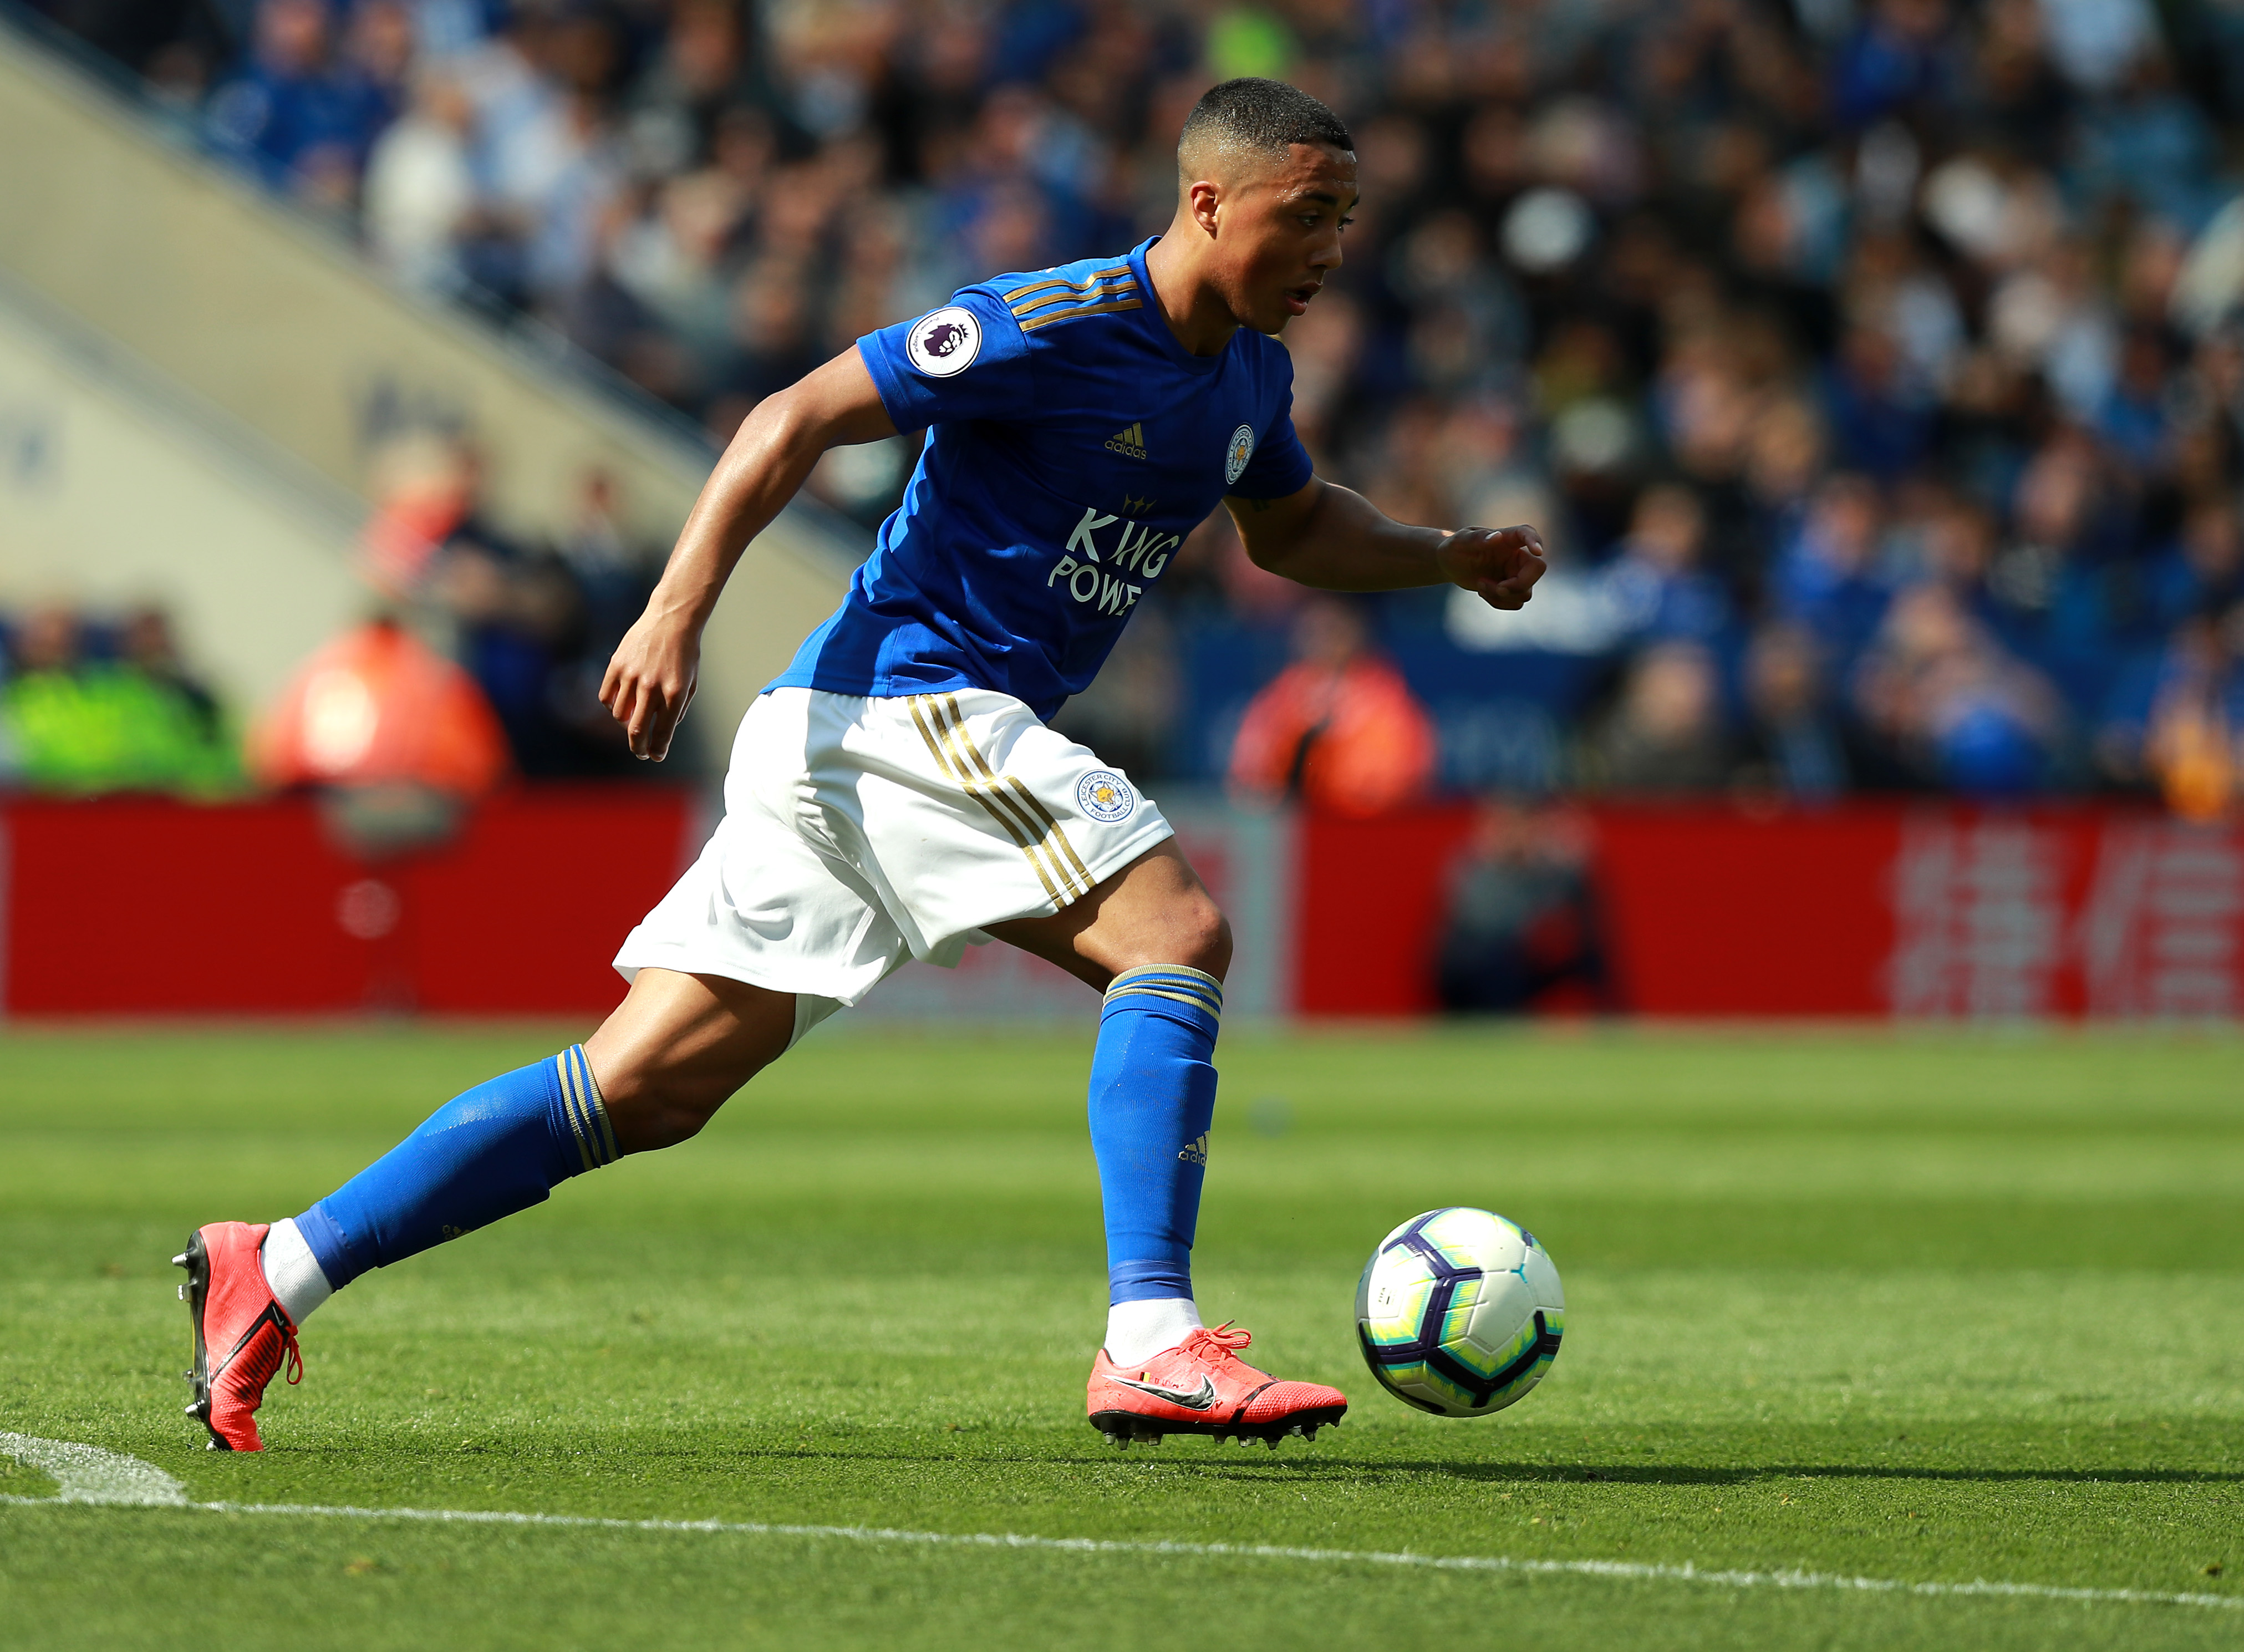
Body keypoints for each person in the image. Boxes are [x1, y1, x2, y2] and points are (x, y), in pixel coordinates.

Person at [174, 79, 1547, 1455]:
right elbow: (792, 415)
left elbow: (1294, 526)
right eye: (1305, 216)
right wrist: (671, 609)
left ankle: (276, 1263)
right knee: (1173, 934)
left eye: (1345, 222)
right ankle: (1150, 1338)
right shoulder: (1051, 323)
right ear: (1205, 201)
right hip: (907, 704)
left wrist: (1443, 555)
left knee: (637, 1088)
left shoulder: (1248, 373)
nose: (1328, 251)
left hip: (852, 745)